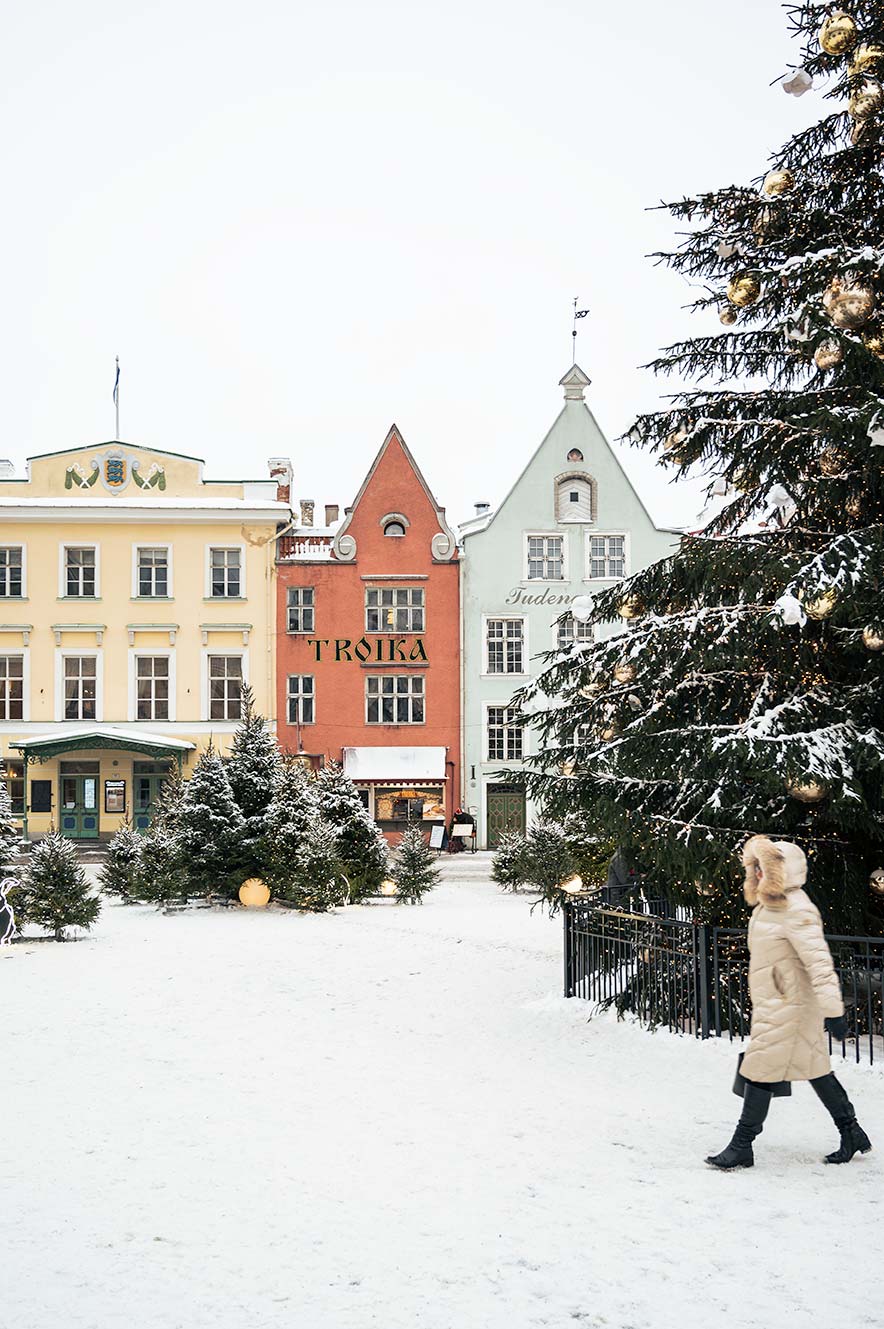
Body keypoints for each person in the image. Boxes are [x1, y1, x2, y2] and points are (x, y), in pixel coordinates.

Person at [706, 835, 872, 1170]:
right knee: (816, 1069)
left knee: (759, 1068)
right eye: (755, 868)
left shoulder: (797, 909)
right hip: (777, 1003)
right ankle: (852, 1131)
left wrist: (833, 1010)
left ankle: (742, 1145)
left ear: (782, 871)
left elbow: (819, 961)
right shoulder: (768, 907)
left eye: (763, 868)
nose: (757, 874)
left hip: (790, 1008)